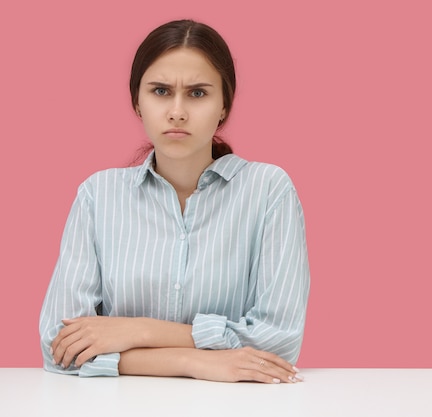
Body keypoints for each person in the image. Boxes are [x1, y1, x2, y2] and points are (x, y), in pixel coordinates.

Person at [39, 19, 310, 384]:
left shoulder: (268, 190)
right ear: (137, 101)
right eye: (161, 91)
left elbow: (279, 342)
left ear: (224, 106)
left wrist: (138, 331)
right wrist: (195, 362)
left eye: (198, 93)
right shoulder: (97, 196)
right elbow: (58, 346)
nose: (177, 111)